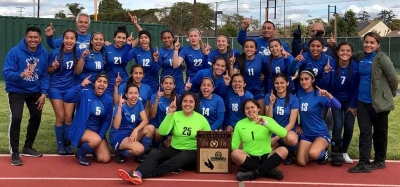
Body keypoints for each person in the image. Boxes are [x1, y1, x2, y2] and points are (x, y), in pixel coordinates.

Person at [117, 92, 211, 185]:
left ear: (195, 104)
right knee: (155, 152)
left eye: (191, 102)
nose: (187, 104)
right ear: (181, 103)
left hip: (192, 154)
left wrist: (200, 137)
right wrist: (170, 114)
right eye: (185, 101)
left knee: (184, 155)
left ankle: (152, 173)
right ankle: (138, 173)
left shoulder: (201, 119)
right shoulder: (175, 115)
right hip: (175, 149)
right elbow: (162, 132)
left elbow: (208, 141)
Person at [348, 32, 398, 173]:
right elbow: (345, 54)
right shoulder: (361, 57)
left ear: (378, 45)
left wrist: (388, 95)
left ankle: (379, 160)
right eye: (366, 42)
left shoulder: (382, 58)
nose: (368, 45)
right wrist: (333, 47)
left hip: (378, 104)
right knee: (365, 132)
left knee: (379, 132)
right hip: (362, 102)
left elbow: (393, 79)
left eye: (372, 42)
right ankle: (363, 162)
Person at [3, 26, 49, 166]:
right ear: (26, 37)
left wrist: (44, 93)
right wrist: (20, 75)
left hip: (34, 91)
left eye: (36, 37)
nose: (33, 40)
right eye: (30, 37)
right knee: (16, 117)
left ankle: (27, 147)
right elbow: (6, 74)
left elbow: (45, 74)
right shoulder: (15, 52)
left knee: (36, 116)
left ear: (40, 39)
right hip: (16, 89)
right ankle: (15, 152)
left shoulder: (44, 53)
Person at [232, 99, 288, 181]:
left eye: (252, 107)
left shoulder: (267, 120)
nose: (250, 110)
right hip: (249, 157)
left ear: (258, 109)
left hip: (266, 157)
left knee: (284, 150)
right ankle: (268, 172)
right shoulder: (240, 124)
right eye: (247, 108)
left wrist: (265, 124)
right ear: (244, 111)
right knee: (235, 153)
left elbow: (283, 133)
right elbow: (234, 146)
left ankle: (254, 174)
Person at [63, 73, 113, 166]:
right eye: (99, 81)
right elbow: (67, 98)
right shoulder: (85, 93)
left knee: (104, 158)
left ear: (107, 85)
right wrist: (81, 86)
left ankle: (92, 147)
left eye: (105, 82)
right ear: (94, 83)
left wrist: (101, 135)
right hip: (82, 130)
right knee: (96, 140)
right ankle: (80, 153)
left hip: (96, 132)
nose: (102, 84)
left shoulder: (108, 99)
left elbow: (107, 120)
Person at [296, 70, 341, 167]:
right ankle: (313, 147)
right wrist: (297, 125)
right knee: (301, 162)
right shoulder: (299, 94)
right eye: (301, 79)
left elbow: (338, 106)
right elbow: (295, 112)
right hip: (306, 134)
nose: (304, 82)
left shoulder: (319, 94)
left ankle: (324, 152)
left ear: (313, 79)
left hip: (320, 133)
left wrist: (328, 94)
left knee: (313, 154)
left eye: (306, 79)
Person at [47, 29, 80, 155]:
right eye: (67, 38)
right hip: (55, 88)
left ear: (75, 40)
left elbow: (78, 71)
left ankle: (67, 144)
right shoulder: (55, 53)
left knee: (68, 117)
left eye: (72, 38)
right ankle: (60, 145)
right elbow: (48, 71)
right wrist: (53, 67)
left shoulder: (77, 53)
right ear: (63, 39)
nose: (69, 40)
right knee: (60, 117)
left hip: (69, 88)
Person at [325, 42, 359, 165]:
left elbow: (357, 88)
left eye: (348, 51)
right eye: (342, 50)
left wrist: (353, 105)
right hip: (336, 100)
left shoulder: (355, 66)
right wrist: (326, 73)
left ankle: (344, 151)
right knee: (338, 125)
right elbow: (327, 85)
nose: (345, 53)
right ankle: (336, 153)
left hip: (350, 101)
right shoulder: (331, 64)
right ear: (337, 52)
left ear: (351, 53)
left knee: (349, 126)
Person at [110, 84, 155, 164]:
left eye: (136, 93)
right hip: (118, 136)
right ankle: (121, 152)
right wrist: (119, 108)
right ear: (126, 94)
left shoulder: (138, 103)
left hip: (131, 134)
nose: (133, 96)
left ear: (138, 94)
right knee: (139, 149)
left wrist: (136, 130)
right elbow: (116, 126)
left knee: (150, 128)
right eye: (131, 93)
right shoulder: (121, 105)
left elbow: (145, 120)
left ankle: (139, 156)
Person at [264, 73, 299, 165]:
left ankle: (290, 152)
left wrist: (277, 138)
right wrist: (271, 104)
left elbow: (291, 123)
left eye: (282, 83)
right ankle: (280, 147)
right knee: (265, 157)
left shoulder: (294, 99)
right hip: (273, 131)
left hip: (286, 131)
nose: (279, 85)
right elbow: (268, 119)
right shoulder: (269, 96)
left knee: (291, 139)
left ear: (287, 83)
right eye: (277, 83)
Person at [230, 39, 265, 114]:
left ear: (256, 49)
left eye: (251, 47)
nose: (249, 49)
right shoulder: (240, 59)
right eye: (246, 47)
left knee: (260, 114)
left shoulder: (260, 58)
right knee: (248, 113)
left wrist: (263, 74)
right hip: (245, 91)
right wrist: (231, 65)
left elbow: (267, 69)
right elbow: (233, 76)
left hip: (258, 90)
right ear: (243, 48)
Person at [103, 26, 134, 96]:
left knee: (122, 105)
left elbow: (143, 35)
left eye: (123, 38)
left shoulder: (127, 48)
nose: (121, 40)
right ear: (114, 38)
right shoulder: (106, 47)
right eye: (119, 37)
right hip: (110, 82)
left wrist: (135, 24)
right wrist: (104, 41)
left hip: (124, 82)